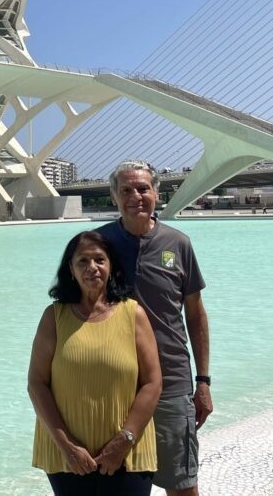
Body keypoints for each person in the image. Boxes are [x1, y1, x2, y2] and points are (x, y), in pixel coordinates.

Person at [98, 160, 211, 496]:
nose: (136, 196)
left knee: (181, 484)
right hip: (113, 383)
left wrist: (203, 381)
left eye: (143, 188)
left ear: (156, 193)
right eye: (127, 190)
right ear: (114, 197)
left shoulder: (178, 244)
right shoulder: (96, 245)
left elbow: (195, 314)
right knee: (115, 483)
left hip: (171, 381)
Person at [29, 230, 162, 495]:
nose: (92, 268)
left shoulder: (133, 314)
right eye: (83, 261)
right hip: (68, 456)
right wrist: (67, 446)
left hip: (128, 452)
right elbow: (37, 384)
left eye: (100, 260)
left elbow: (152, 383)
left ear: (111, 265)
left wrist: (124, 441)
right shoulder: (54, 317)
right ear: (71, 268)